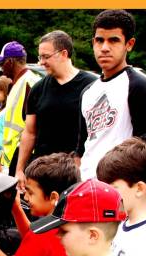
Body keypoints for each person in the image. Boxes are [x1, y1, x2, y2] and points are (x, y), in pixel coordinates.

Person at [76, 9, 146, 181]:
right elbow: (82, 146)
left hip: (120, 185)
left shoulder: (138, 86)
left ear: (129, 44)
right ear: (93, 42)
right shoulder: (88, 91)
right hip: (86, 184)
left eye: (114, 40)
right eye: (99, 40)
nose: (104, 48)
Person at [16, 30, 97, 188]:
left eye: (46, 56)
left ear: (64, 54)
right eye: (40, 57)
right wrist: (20, 169)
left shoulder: (92, 86)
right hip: (43, 173)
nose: (41, 62)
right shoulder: (38, 89)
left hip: (77, 174)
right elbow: (30, 132)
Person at [0, 41, 41, 176]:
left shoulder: (29, 83)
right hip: (12, 158)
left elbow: (33, 126)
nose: (1, 68)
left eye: (2, 64)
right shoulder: (17, 83)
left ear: (10, 61)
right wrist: (1, 159)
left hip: (25, 158)